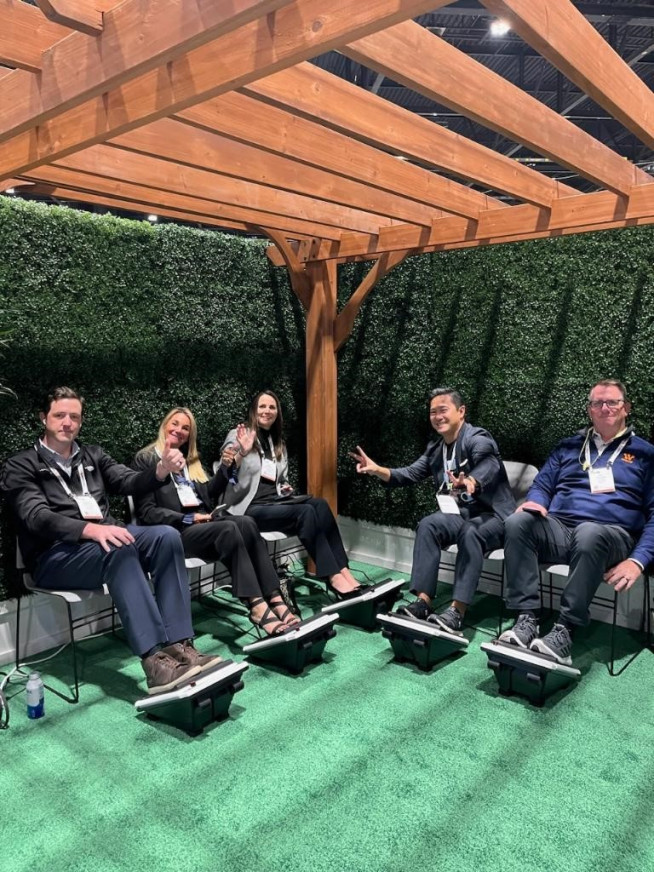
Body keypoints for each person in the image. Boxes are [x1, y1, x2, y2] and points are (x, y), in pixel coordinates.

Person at [1, 387, 221, 696]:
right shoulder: (20, 464)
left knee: (166, 536)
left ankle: (181, 645)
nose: (67, 423)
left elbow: (128, 480)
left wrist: (160, 470)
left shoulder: (93, 455)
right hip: (55, 556)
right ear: (43, 418)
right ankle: (155, 661)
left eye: (74, 416)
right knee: (118, 546)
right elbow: (36, 516)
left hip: (105, 543)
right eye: (59, 415)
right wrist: (90, 530)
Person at [498, 379, 654, 665]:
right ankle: (526, 618)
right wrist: (536, 501)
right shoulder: (568, 446)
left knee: (589, 532)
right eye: (597, 403)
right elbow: (543, 484)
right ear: (589, 410)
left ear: (626, 408)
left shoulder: (646, 454)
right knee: (517, 523)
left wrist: (638, 560)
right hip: (561, 529)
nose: (605, 408)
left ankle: (565, 630)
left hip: (612, 536)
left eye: (613, 402)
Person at [351, 387, 515, 632]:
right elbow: (409, 474)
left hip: (493, 517)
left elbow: (489, 463)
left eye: (443, 410)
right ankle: (423, 602)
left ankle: (457, 611)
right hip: (462, 515)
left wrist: (472, 481)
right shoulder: (437, 449)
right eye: (432, 412)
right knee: (429, 525)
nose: (437, 417)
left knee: (470, 532)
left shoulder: (477, 438)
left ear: (461, 411)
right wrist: (377, 470)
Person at [134, 407, 298, 637]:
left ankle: (274, 597)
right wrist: (188, 517)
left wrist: (231, 463)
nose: (179, 430)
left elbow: (210, 493)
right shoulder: (146, 459)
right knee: (229, 529)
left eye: (186, 428)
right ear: (164, 425)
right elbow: (146, 512)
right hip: (175, 530)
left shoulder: (189, 461)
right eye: (175, 424)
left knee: (247, 522)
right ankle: (256, 605)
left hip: (204, 526)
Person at [221, 390, 362, 598]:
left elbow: (281, 480)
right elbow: (226, 466)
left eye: (272, 407)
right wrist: (240, 451)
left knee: (320, 504)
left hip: (274, 503)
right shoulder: (239, 434)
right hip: (249, 508)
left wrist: (285, 487)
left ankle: (344, 571)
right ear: (253, 410)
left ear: (277, 412)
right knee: (305, 512)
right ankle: (333, 576)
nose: (267, 411)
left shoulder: (277, 443)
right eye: (262, 406)